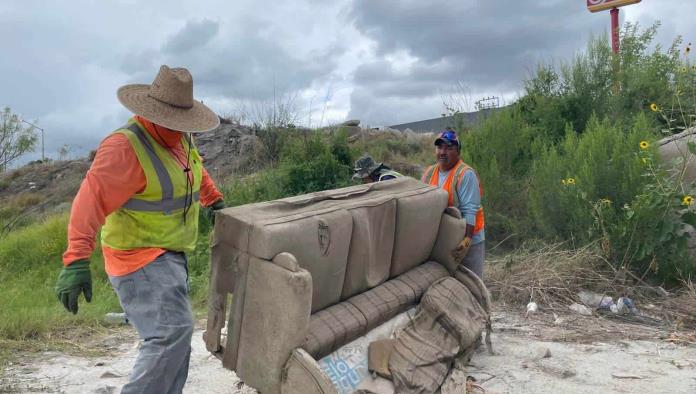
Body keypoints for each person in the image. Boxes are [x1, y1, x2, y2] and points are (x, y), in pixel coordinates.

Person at [55, 65, 226, 393]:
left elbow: (194, 169)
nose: (181, 128)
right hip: (137, 258)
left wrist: (213, 200)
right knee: (169, 334)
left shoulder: (180, 138)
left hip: (170, 253)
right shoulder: (124, 148)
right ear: (155, 113)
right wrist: (76, 259)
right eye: (174, 121)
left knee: (177, 339)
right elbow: (89, 201)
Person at [421, 130, 485, 277]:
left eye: (449, 148)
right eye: (439, 147)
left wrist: (467, 241)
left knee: (472, 282)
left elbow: (470, 210)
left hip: (470, 238)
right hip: (445, 238)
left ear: (458, 152)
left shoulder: (465, 174)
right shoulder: (429, 173)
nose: (442, 152)